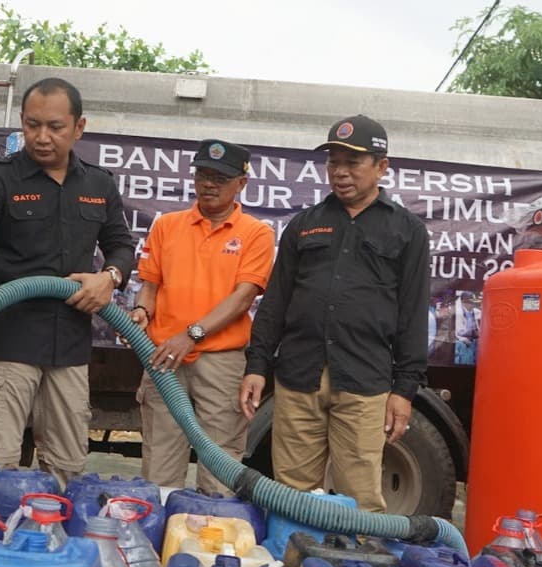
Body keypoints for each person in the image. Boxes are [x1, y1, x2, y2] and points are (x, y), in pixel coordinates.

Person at [0, 78, 136, 486]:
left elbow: (122, 247)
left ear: (79, 127)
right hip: (7, 341)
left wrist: (108, 278)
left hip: (69, 346)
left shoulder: (98, 183)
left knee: (68, 466)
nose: (42, 137)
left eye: (55, 127)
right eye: (32, 125)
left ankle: (53, 545)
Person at [239, 115, 430, 512]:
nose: (340, 173)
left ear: (382, 166)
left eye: (353, 162)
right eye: (333, 163)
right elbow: (275, 301)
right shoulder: (305, 225)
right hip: (298, 377)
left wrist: (404, 390)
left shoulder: (407, 231)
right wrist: (257, 365)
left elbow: (412, 314)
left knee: (360, 499)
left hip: (364, 380)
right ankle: (296, 566)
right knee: (293, 497)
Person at [130, 139, 275, 495]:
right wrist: (140, 311)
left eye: (221, 178)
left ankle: (216, 542)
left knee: (220, 466)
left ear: (241, 183)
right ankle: (157, 542)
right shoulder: (167, 226)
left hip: (221, 362)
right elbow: (149, 284)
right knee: (160, 462)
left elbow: (243, 298)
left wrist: (191, 334)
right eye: (203, 175)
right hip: (163, 358)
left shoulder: (256, 233)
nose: (209, 184)